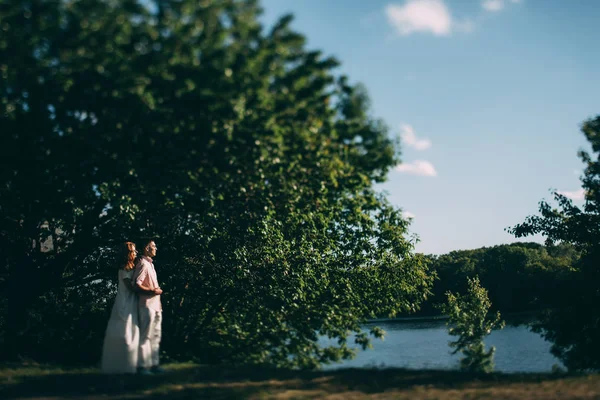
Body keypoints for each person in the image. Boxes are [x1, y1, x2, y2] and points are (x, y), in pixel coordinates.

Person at [101, 242, 140, 374]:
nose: (136, 253)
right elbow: (131, 287)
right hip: (125, 302)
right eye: (134, 251)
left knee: (132, 330)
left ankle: (130, 363)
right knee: (125, 331)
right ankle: (121, 364)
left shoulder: (132, 268)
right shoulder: (124, 269)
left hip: (131, 301)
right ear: (129, 253)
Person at [134, 239, 164, 374]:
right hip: (146, 305)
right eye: (153, 246)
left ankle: (154, 365)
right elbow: (137, 284)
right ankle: (141, 366)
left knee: (156, 336)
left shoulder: (151, 265)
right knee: (146, 335)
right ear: (147, 248)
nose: (156, 248)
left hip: (156, 305)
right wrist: (152, 291)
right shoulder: (143, 264)